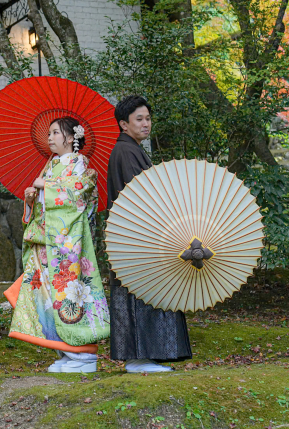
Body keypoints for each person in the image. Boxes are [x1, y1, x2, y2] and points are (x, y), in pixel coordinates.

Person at [4, 117, 110, 373]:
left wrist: (47, 186)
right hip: (45, 241)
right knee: (47, 297)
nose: (49, 138)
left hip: (66, 248)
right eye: (49, 133)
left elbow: (80, 195)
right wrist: (31, 200)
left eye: (54, 133)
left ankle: (83, 355)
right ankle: (65, 350)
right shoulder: (50, 166)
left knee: (68, 297)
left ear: (71, 138)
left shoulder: (79, 165)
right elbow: (41, 206)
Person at [106, 95, 192, 373]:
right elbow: (142, 195)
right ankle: (137, 358)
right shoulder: (125, 152)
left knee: (145, 294)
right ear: (123, 124)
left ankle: (142, 357)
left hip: (137, 234)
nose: (146, 124)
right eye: (139, 119)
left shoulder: (130, 149)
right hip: (135, 236)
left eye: (148, 118)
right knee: (140, 294)